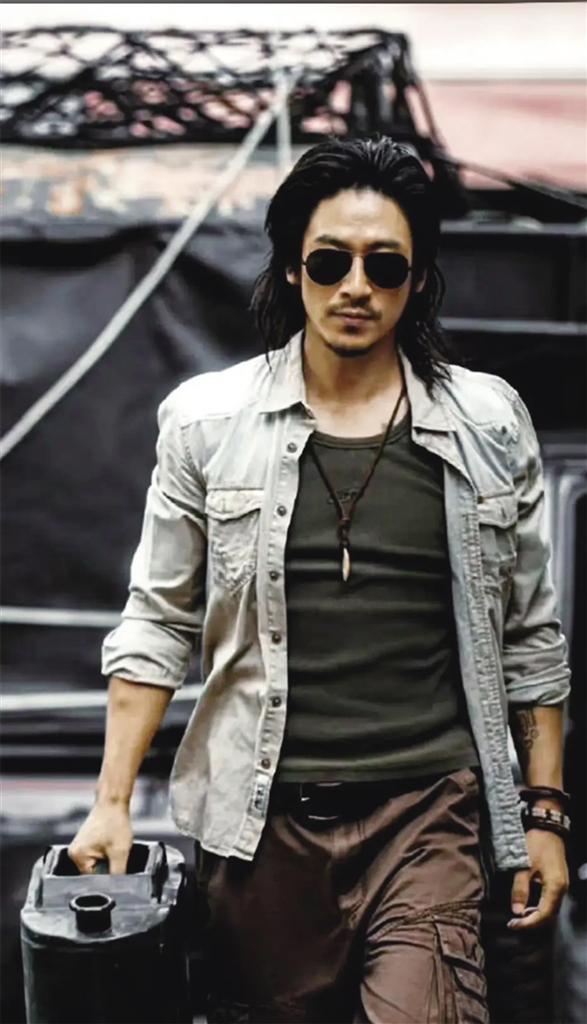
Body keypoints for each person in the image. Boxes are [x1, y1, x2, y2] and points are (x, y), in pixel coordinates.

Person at [69, 136, 571, 1023]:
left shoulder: (487, 424)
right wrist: (109, 805)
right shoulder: (206, 424)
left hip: (428, 816)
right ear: (292, 269)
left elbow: (530, 635)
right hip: (257, 831)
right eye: (331, 261)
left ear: (418, 281)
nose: (355, 287)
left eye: (385, 266)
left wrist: (545, 814)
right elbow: (157, 622)